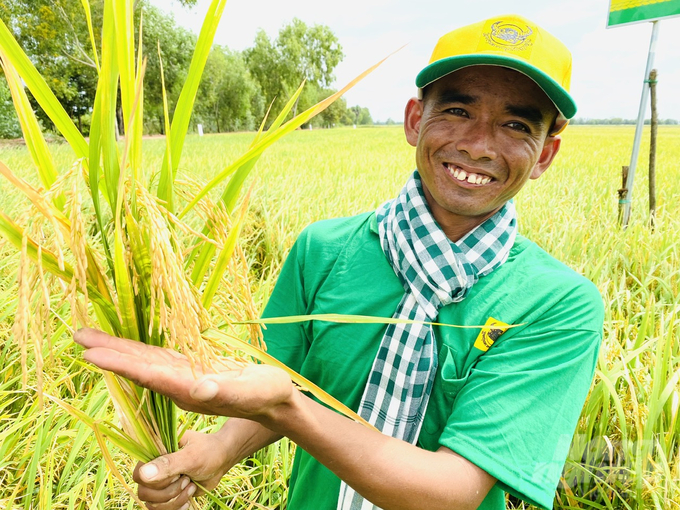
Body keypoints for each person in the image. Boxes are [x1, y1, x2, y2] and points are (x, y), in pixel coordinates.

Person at [75, 14, 604, 510]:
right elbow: (276, 385)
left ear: (545, 155)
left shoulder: (555, 302)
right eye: (459, 111)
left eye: (516, 125)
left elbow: (453, 490)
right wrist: (217, 451)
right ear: (416, 120)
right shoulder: (324, 251)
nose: (479, 145)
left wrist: (287, 407)